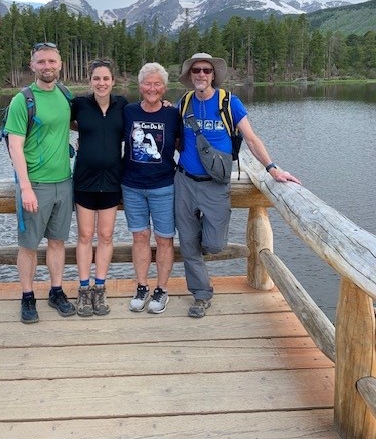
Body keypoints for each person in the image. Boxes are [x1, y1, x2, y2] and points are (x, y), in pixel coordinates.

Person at [176, 52, 301, 318]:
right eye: (196, 70)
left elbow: (252, 139)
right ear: (190, 76)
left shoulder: (229, 103)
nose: (201, 75)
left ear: (213, 75)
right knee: (187, 245)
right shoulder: (183, 103)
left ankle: (196, 239)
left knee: (215, 244)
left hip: (216, 184)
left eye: (206, 71)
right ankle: (201, 294)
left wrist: (272, 168)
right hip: (184, 181)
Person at [4, 42, 76, 324]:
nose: (47, 66)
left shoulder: (65, 94)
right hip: (35, 185)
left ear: (60, 65)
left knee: (58, 242)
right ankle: (27, 296)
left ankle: (56, 291)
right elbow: (15, 147)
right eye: (41, 62)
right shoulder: (23, 100)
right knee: (29, 245)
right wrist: (25, 188)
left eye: (52, 61)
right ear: (32, 65)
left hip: (64, 182)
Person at [122, 63, 180, 314]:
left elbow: (182, 145)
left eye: (157, 84)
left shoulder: (172, 114)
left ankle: (162, 289)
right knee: (140, 236)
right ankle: (142, 286)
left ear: (164, 88)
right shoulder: (128, 111)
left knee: (164, 239)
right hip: (132, 186)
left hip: (164, 186)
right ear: (140, 86)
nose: (152, 88)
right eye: (148, 83)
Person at [71, 59, 128, 316]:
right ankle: (83, 290)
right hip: (85, 180)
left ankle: (100, 287)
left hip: (113, 180)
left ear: (113, 81)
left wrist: (167, 106)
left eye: (106, 79)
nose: (101, 83)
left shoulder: (123, 106)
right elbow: (61, 122)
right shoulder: (79, 105)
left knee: (105, 236)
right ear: (90, 81)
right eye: (96, 79)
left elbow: (146, 116)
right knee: (84, 236)